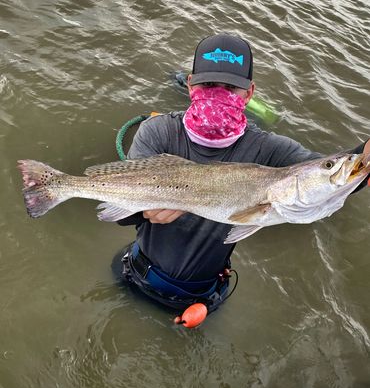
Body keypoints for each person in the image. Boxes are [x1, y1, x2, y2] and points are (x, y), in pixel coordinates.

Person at [112, 33, 369, 321]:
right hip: (133, 273)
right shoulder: (157, 131)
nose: (218, 93)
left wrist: (363, 157)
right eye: (208, 84)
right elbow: (122, 217)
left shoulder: (270, 149)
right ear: (190, 84)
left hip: (202, 297)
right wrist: (144, 211)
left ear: (249, 93)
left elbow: (323, 179)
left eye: (231, 87)